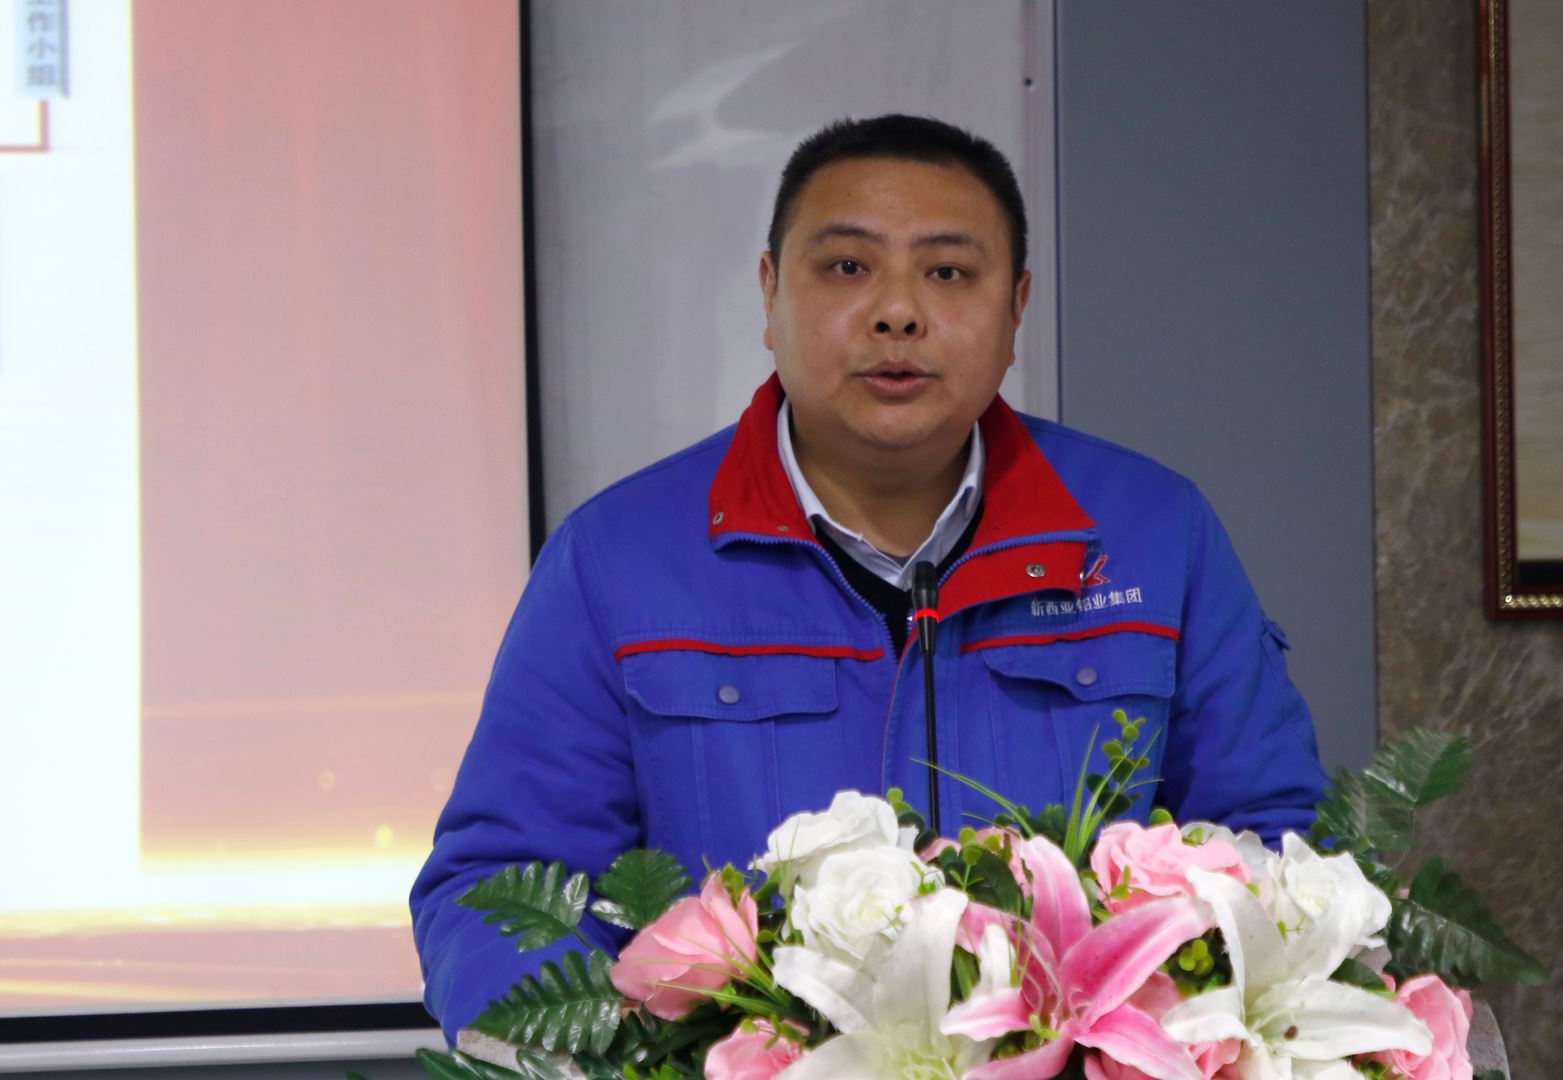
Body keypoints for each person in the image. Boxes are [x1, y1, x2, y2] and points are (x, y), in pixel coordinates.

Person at [409, 114, 1324, 1042]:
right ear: (771, 294)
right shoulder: (617, 559)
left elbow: (1275, 848)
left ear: (1016, 308)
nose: (898, 312)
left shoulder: (1155, 537)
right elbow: (501, 891)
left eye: (948, 273)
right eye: (848, 267)